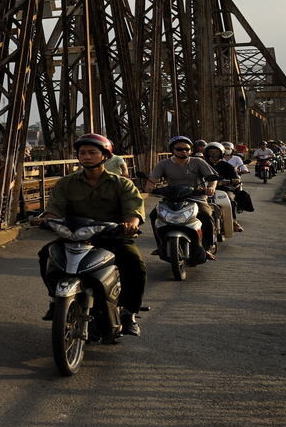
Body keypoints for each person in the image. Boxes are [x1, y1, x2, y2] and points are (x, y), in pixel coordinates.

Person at [40, 133, 147, 335]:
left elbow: (133, 209)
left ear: (105, 156)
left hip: (111, 236)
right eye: (82, 153)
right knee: (46, 255)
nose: (87, 157)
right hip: (74, 235)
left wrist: (130, 225)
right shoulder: (66, 183)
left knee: (134, 262)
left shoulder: (121, 184)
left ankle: (129, 313)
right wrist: (48, 218)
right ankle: (56, 300)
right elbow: (54, 208)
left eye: (92, 152)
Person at [147, 135, 218, 256]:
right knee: (154, 215)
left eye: (187, 149)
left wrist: (211, 187)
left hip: (196, 197)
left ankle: (208, 246)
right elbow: (152, 180)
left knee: (206, 215)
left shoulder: (198, 162)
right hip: (172, 197)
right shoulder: (163, 164)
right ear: (172, 150)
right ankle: (161, 245)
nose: (184, 151)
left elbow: (212, 178)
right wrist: (149, 187)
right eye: (179, 149)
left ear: (191, 150)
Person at [204, 143, 243, 234]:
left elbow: (236, 178)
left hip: (223, 189)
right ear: (206, 153)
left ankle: (233, 221)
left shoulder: (227, 166)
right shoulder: (202, 164)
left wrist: (231, 181)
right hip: (204, 190)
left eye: (216, 152)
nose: (213, 154)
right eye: (211, 152)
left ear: (221, 153)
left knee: (230, 200)